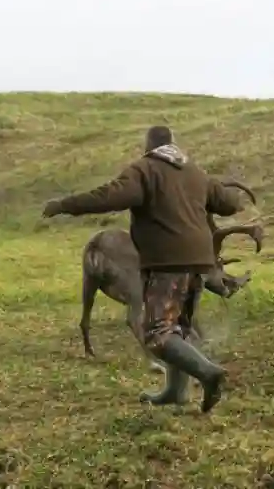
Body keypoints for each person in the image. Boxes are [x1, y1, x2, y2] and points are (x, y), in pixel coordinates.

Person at [42, 125, 243, 413]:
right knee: (179, 328)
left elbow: (109, 196)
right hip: (199, 262)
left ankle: (208, 372)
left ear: (148, 146)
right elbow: (229, 203)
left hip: (167, 264)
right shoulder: (196, 173)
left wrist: (64, 204)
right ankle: (176, 391)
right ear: (172, 144)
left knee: (157, 333)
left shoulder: (145, 170)